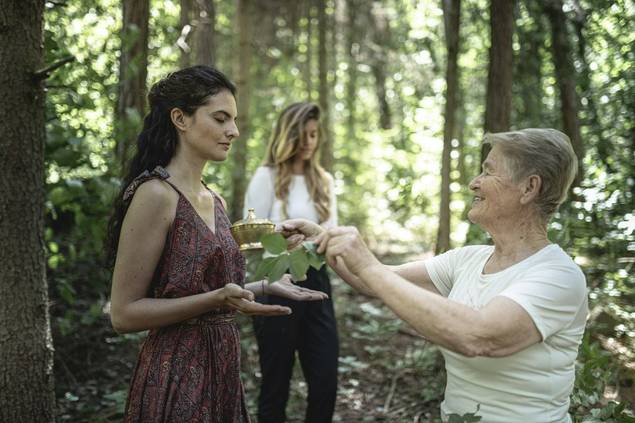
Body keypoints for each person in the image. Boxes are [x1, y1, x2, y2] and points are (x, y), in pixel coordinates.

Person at [281, 128, 588, 422]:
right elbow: (371, 281)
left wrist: (369, 265)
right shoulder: (468, 259)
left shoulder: (558, 276)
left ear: (529, 188)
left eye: (488, 171)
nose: (474, 183)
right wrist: (323, 240)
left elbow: (480, 336)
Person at [107, 66, 328, 423]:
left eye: (234, 120)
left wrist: (263, 286)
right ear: (180, 118)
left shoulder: (216, 200)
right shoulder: (155, 195)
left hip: (223, 367)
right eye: (221, 118)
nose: (234, 131)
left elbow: (215, 291)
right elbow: (124, 314)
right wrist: (216, 299)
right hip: (176, 373)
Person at [243, 102, 339, 423]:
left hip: (317, 280)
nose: (310, 141)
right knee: (275, 380)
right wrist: (279, 235)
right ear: (289, 134)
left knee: (324, 378)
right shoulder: (266, 177)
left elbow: (330, 234)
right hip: (275, 282)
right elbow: (249, 235)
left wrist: (315, 238)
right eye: (303, 134)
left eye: (315, 134)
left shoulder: (323, 180)